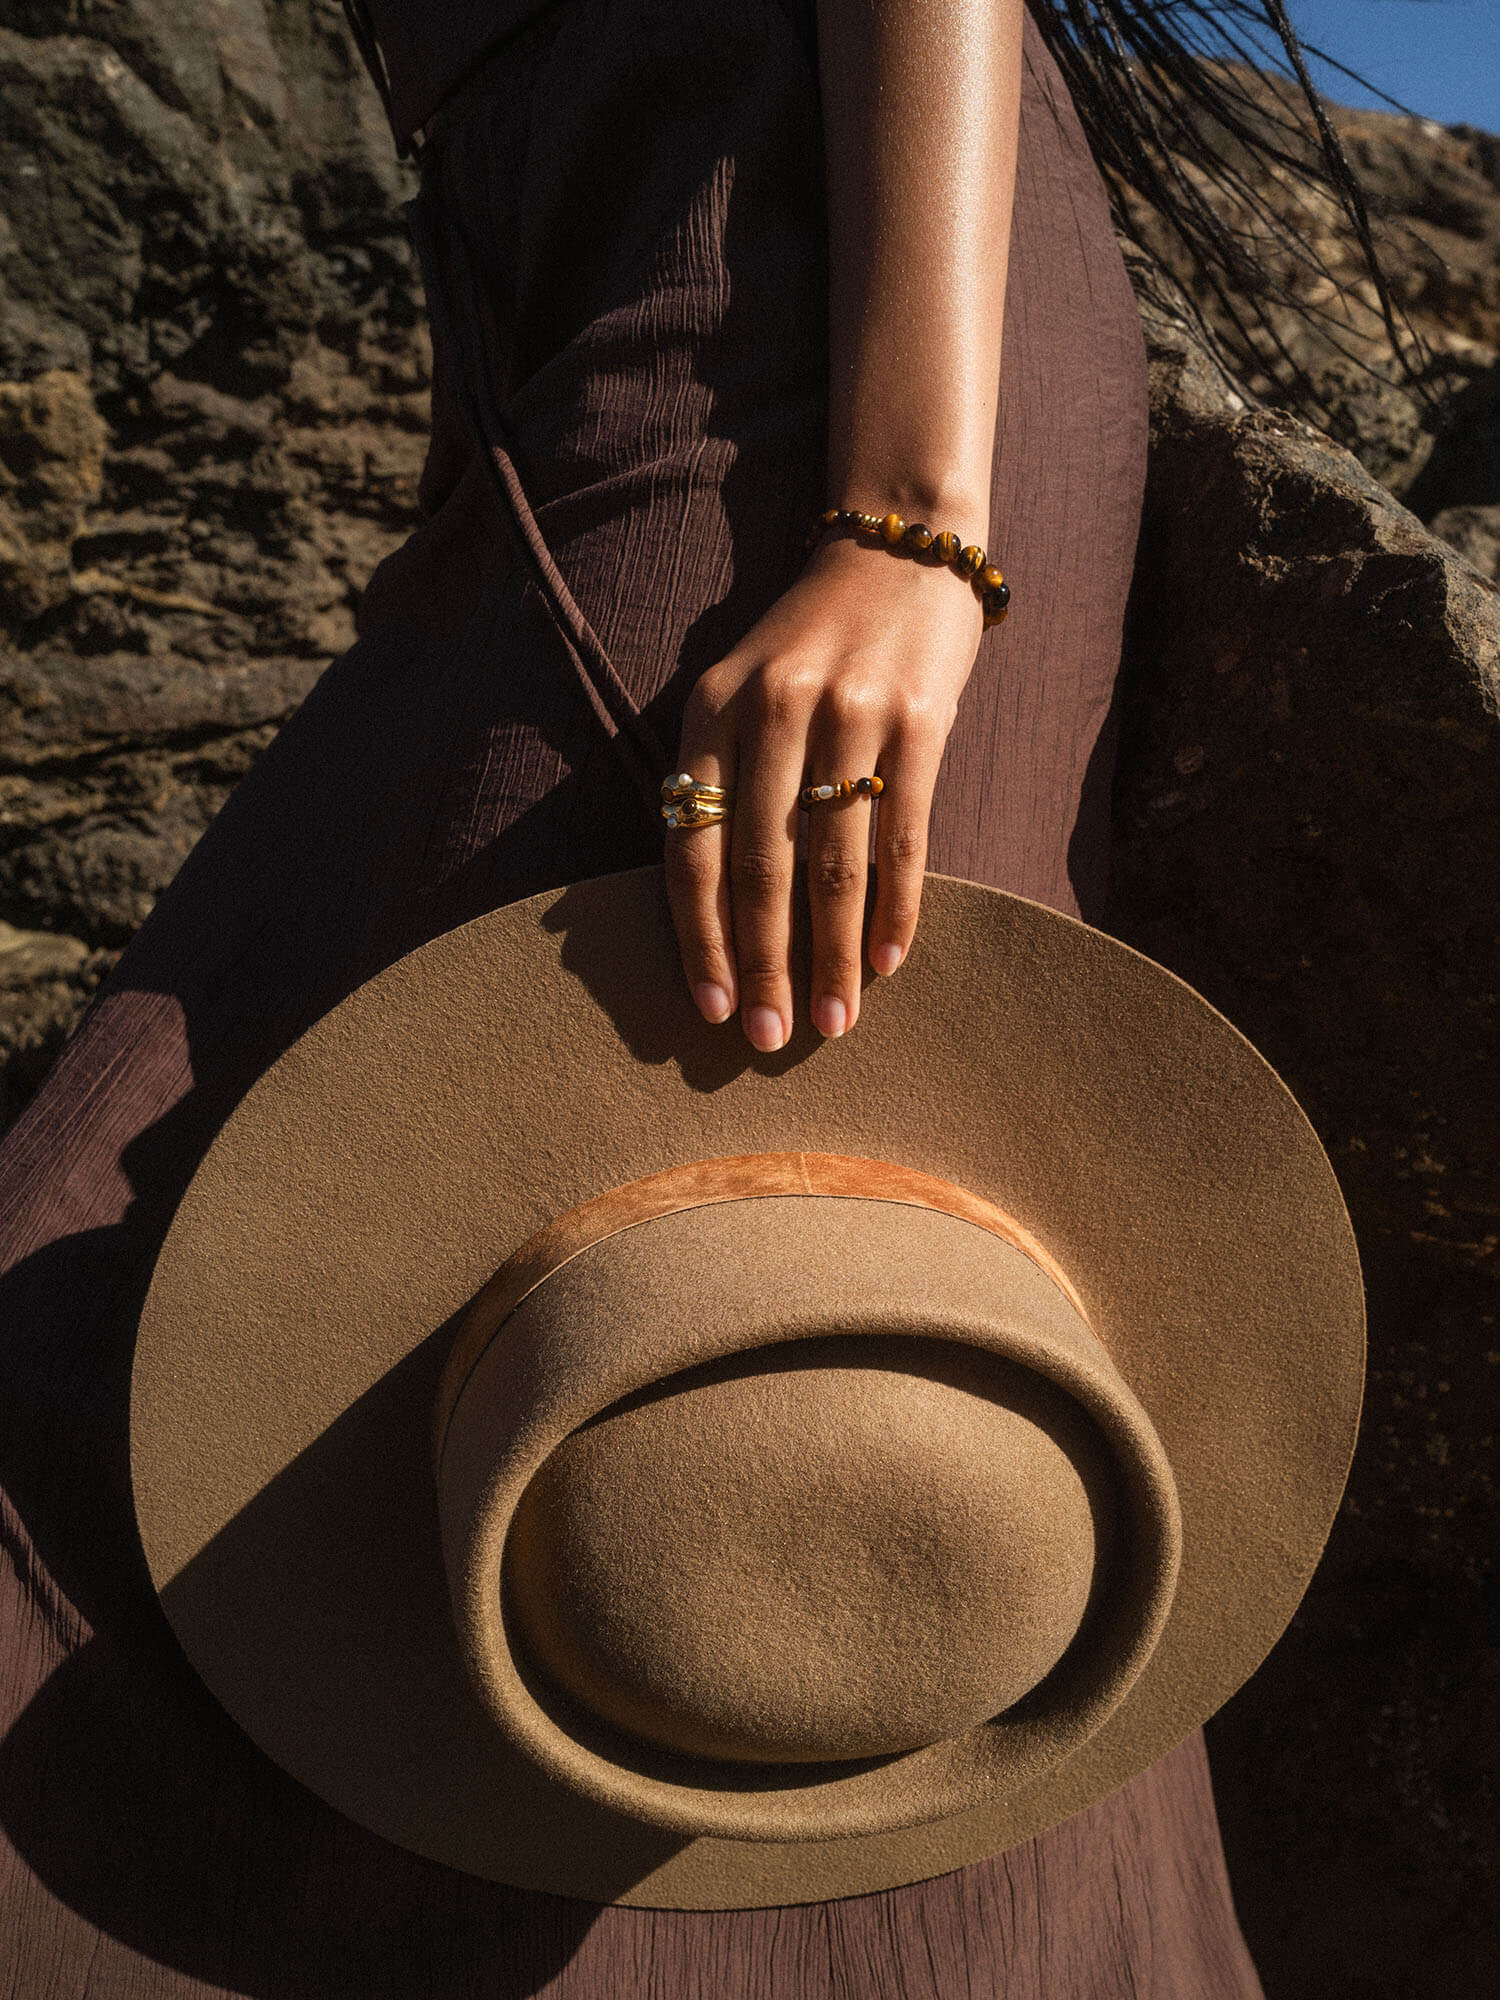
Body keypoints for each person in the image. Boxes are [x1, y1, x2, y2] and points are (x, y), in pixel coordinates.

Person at [2, 0, 1359, 1989]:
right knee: (739, 1323)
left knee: (711, 1341)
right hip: (612, 326)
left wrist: (908, 524)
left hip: (813, 360)